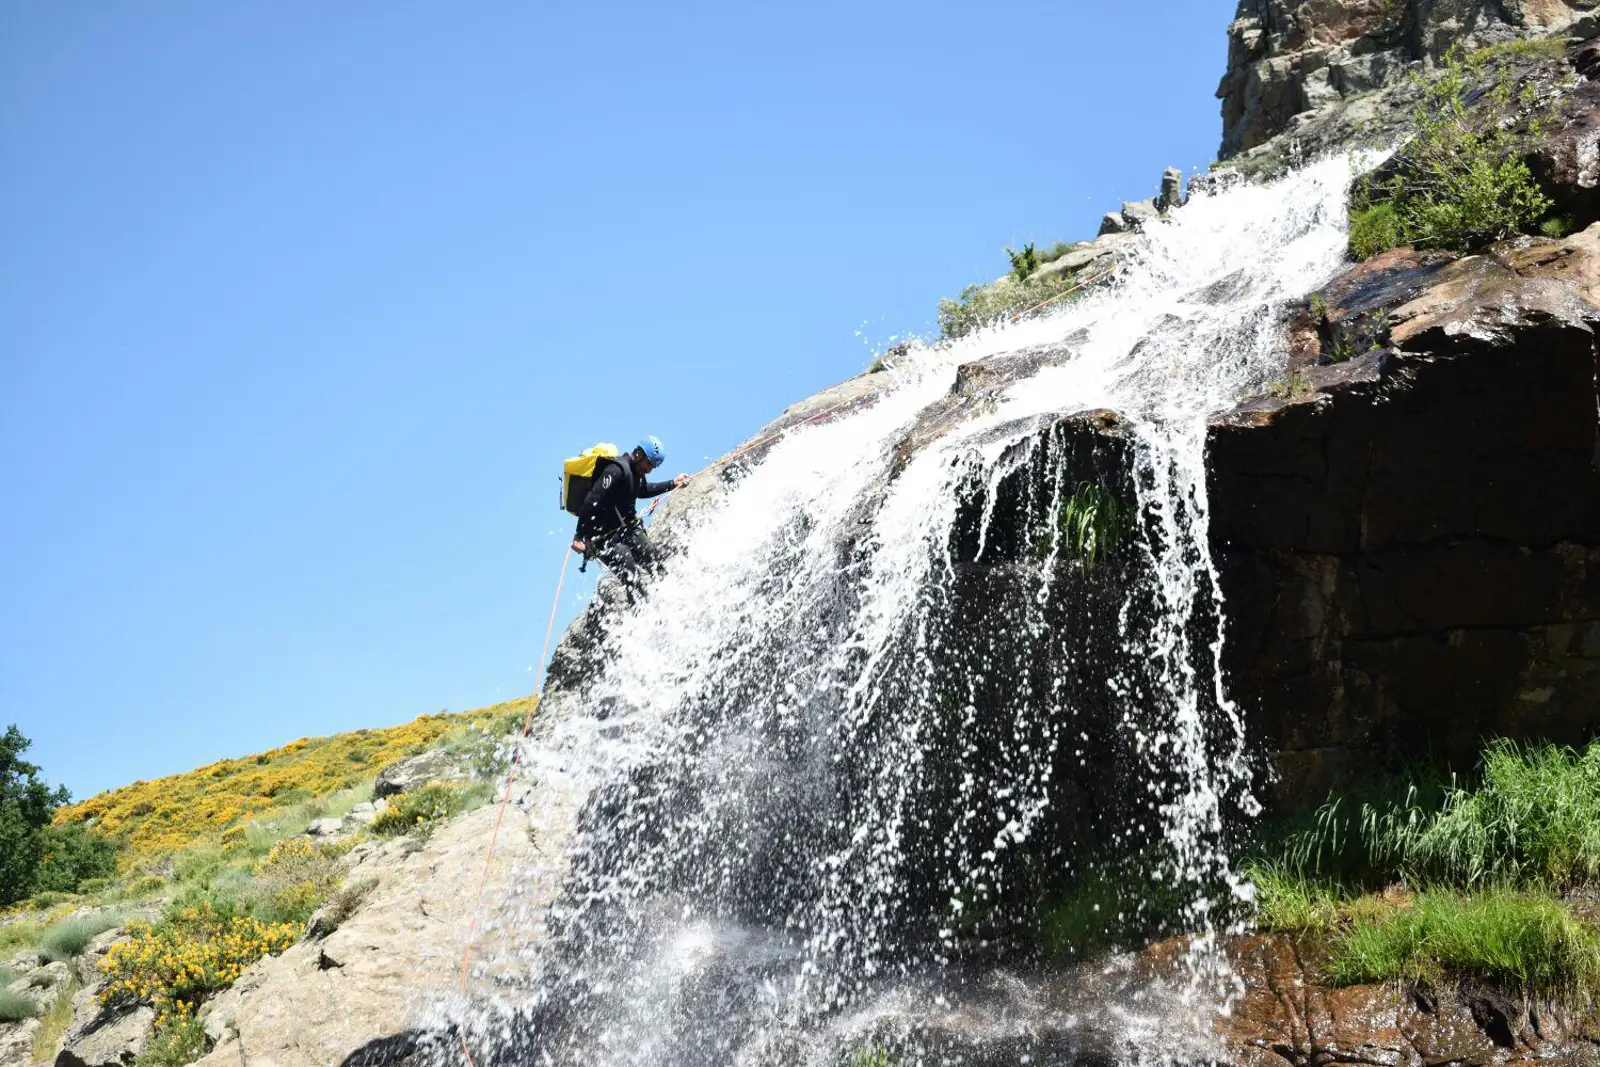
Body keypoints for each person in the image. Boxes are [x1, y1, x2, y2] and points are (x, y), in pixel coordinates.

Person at [570, 435, 690, 589]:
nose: (649, 470)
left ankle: (671, 592)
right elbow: (592, 500)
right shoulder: (616, 469)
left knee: (655, 562)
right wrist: (579, 536)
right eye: (649, 464)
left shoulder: (637, 474)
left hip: (629, 529)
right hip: (605, 539)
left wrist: (672, 483)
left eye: (653, 467)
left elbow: (642, 490)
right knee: (632, 578)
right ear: (639, 454)